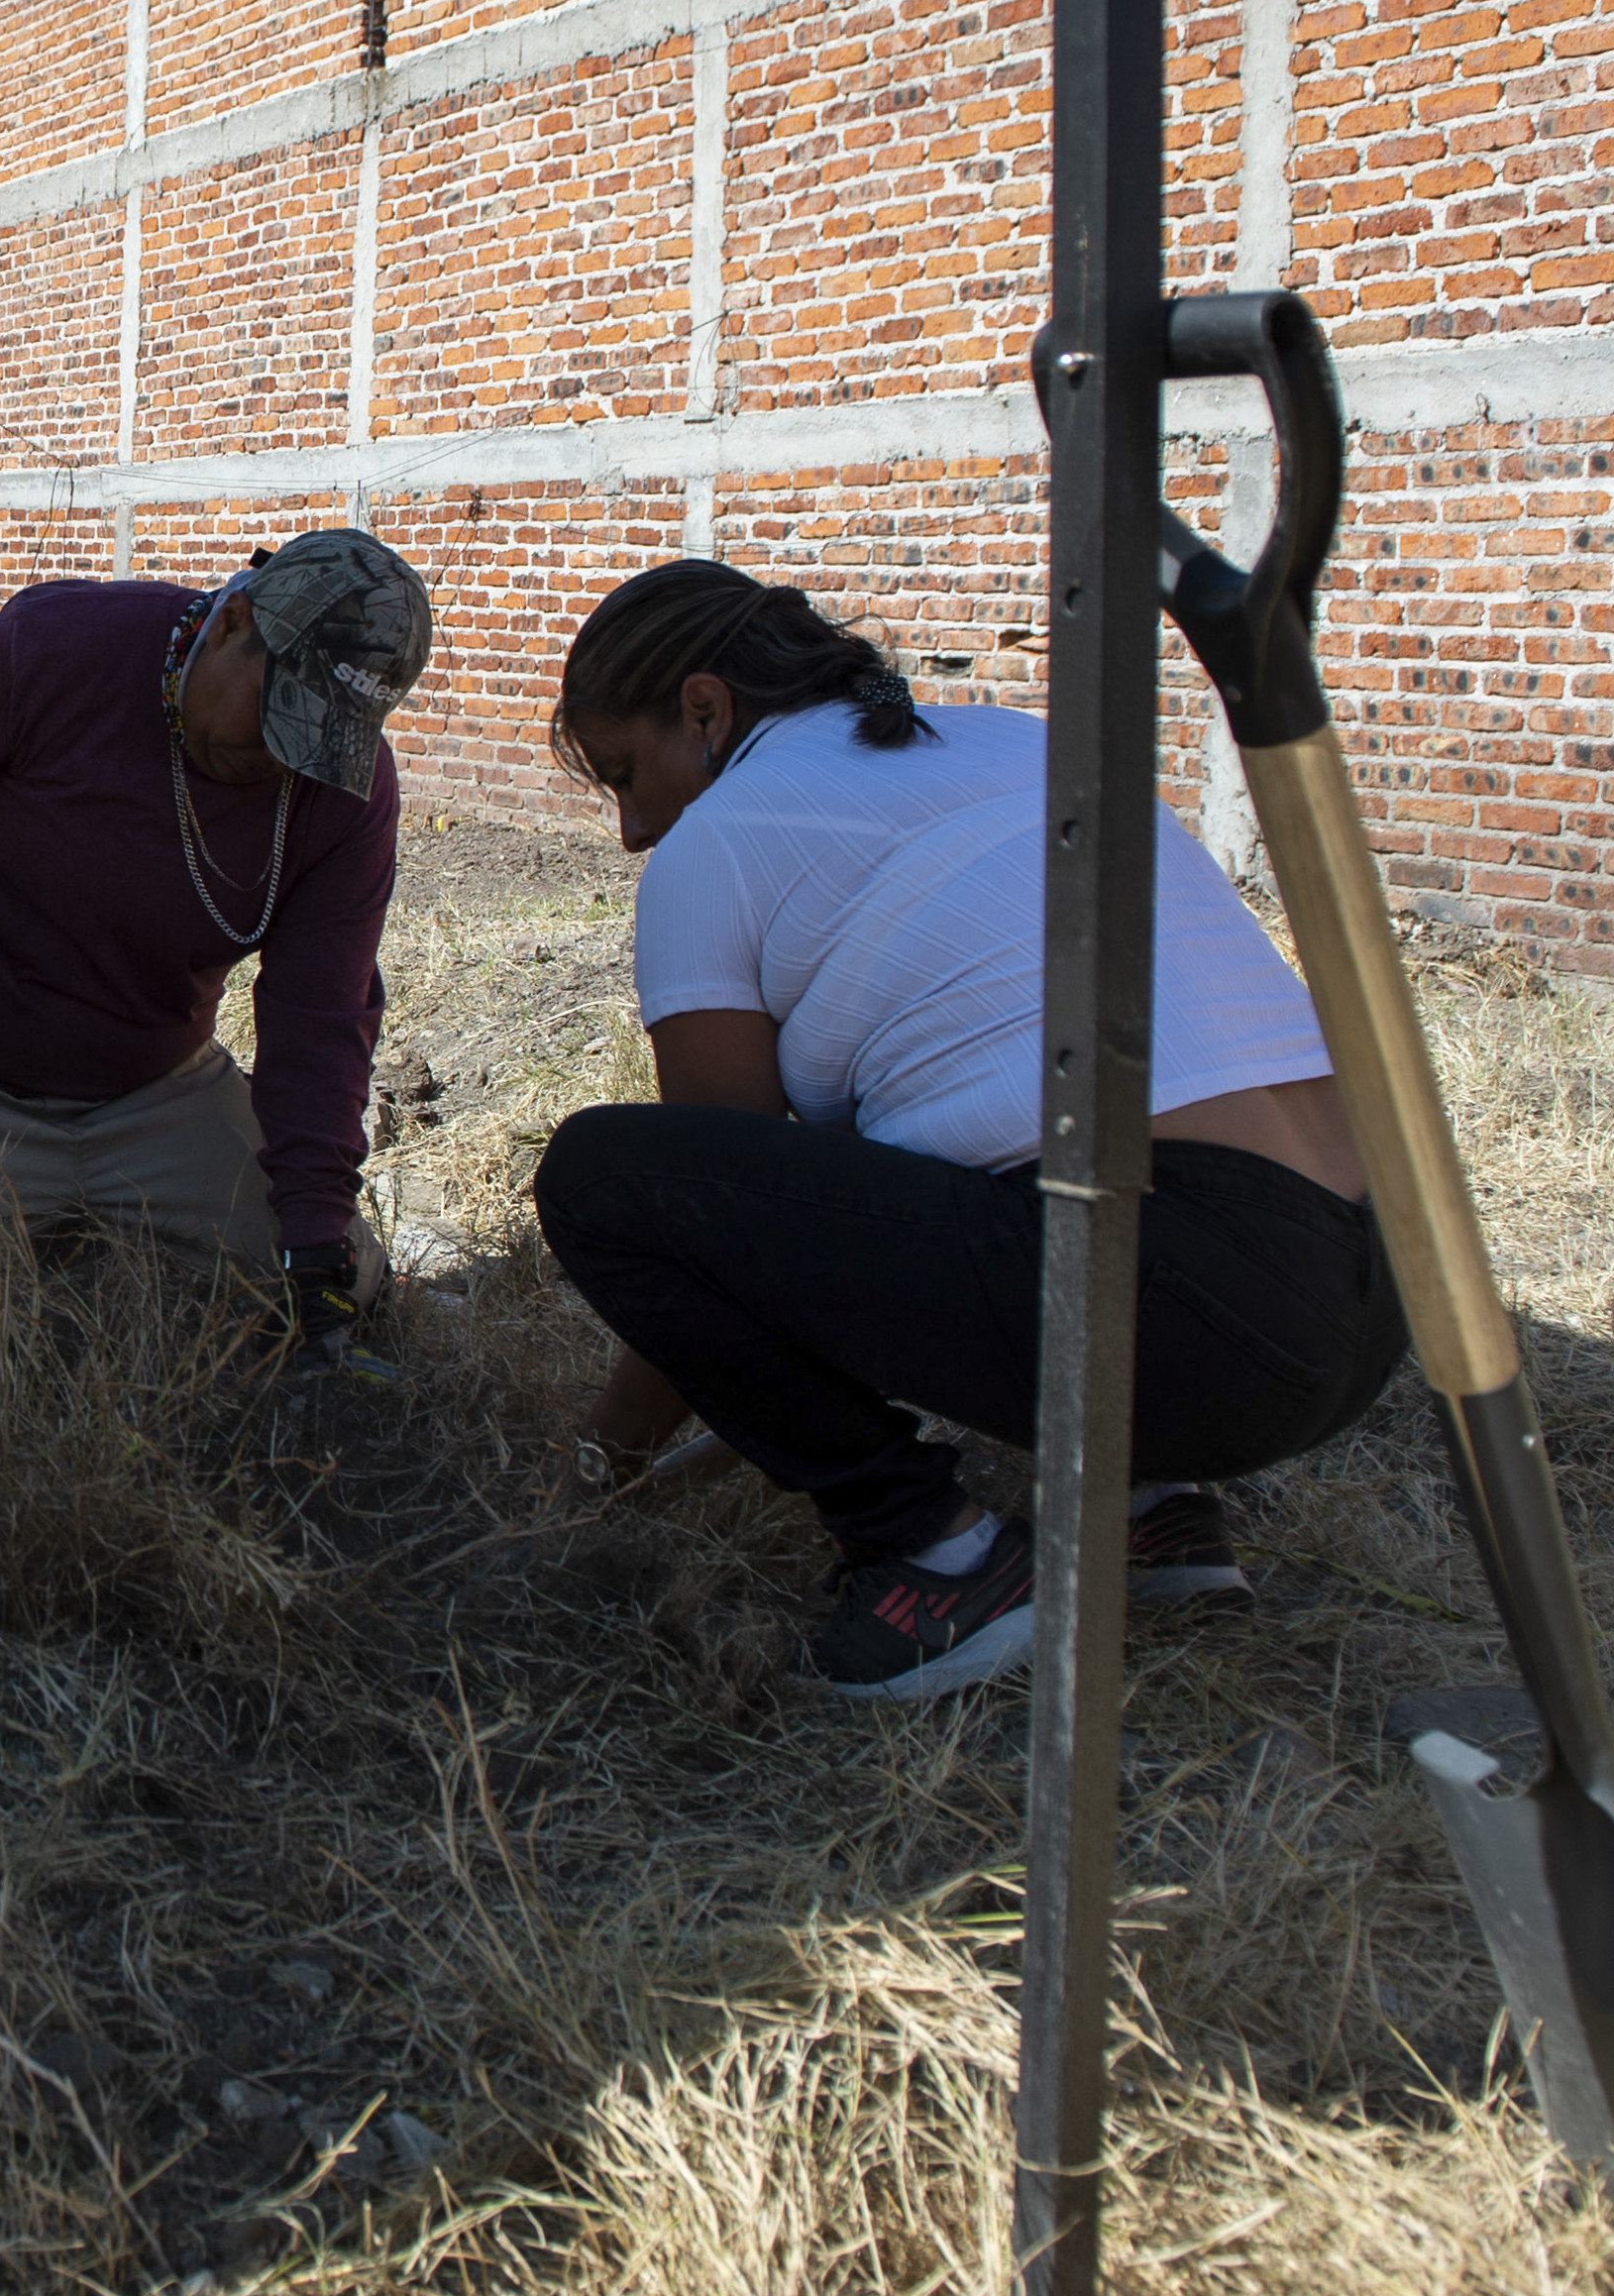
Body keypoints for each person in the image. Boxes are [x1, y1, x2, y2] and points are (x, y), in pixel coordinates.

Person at [527, 559, 1403, 1703]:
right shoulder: (1017, 738)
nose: (633, 828)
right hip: (1376, 1288)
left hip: (1186, 1313)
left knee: (601, 1175)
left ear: (704, 710)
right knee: (1015, 1131)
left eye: (626, 775)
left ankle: (931, 1554)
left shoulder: (719, 840)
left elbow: (703, 1221)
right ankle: (1149, 1506)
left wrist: (602, 1463)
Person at [0, 529, 433, 1379]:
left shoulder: (347, 799)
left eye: (318, 739)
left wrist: (315, 1236)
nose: (285, 760)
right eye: (279, 717)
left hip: (153, 1096)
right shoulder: (63, 647)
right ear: (232, 621)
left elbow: (320, 1018)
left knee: (335, 1283)